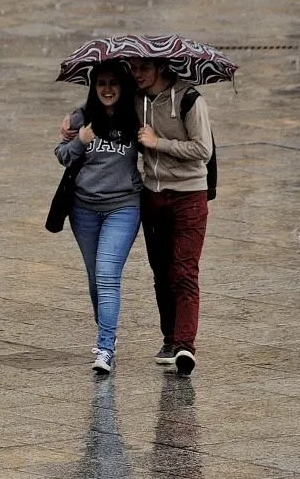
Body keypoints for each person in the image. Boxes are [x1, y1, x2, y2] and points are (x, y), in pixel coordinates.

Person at [60, 58, 213, 376]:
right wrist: (74, 132)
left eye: (143, 69)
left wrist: (160, 143)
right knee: (145, 274)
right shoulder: (116, 107)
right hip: (123, 201)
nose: (137, 76)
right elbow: (71, 139)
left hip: (157, 200)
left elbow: (203, 149)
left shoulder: (167, 104)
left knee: (174, 271)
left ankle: (170, 345)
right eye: (135, 70)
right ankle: (170, 340)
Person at [55, 60, 142, 374]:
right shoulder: (82, 117)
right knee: (95, 280)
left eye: (113, 83)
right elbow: (62, 155)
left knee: (107, 276)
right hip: (84, 210)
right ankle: (107, 332)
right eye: (101, 83)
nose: (107, 89)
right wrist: (80, 139)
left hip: (124, 207)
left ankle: (105, 346)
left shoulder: (137, 114)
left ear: (123, 86)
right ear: (93, 87)